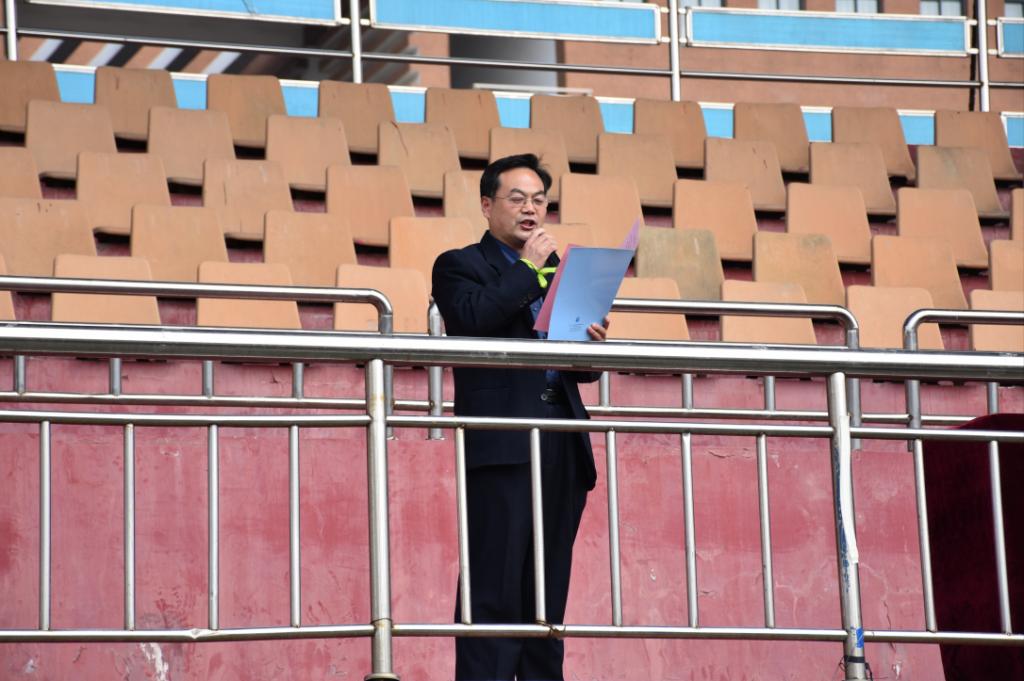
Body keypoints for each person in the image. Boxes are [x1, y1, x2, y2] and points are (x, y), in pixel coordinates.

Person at [431, 153, 608, 681]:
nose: (531, 209)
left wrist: (590, 344)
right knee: (494, 588)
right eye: (517, 199)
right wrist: (528, 269)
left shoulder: (559, 273)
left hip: (561, 441)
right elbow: (472, 320)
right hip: (504, 446)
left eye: (539, 200)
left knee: (547, 599)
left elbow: (581, 371)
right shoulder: (459, 265)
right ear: (487, 206)